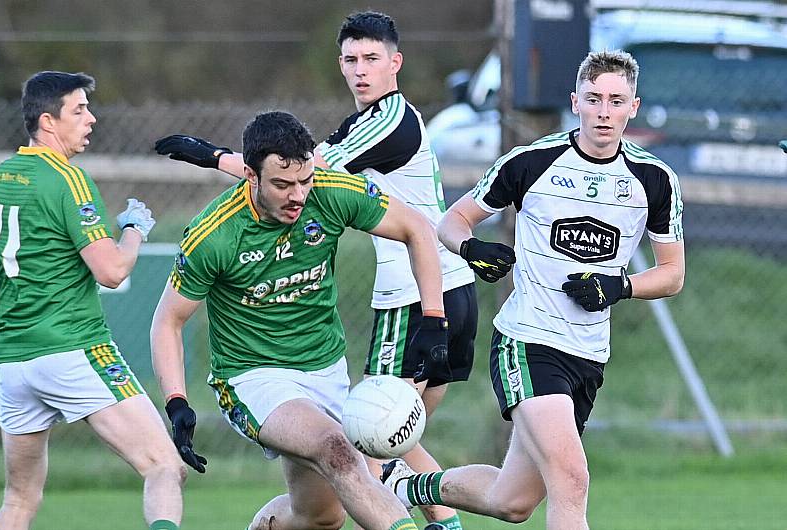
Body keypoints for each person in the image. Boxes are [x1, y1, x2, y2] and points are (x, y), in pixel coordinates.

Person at [154, 13, 483, 529]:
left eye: (371, 59)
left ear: (396, 63)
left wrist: (434, 318)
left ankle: (448, 509)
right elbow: (168, 320)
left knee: (326, 509)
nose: (299, 195)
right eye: (351, 60)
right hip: (256, 379)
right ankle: (441, 517)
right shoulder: (214, 234)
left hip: (412, 303)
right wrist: (177, 402)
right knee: (354, 452)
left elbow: (414, 225)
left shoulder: (364, 145)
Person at [379, 49, 686, 529]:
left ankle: (407, 485)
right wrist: (473, 249)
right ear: (575, 102)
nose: (604, 112)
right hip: (527, 341)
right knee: (572, 477)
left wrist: (619, 286)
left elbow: (672, 274)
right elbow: (452, 221)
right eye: (594, 99)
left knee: (513, 501)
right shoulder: (531, 162)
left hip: (588, 353)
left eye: (616, 100)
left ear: (634, 106)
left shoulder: (655, 179)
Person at [0, 71, 186, 530]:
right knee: (165, 466)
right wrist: (135, 230)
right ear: (47, 121)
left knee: (19, 500)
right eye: (79, 110)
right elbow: (113, 269)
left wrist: (33, 300)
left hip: (16, 363)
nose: (91, 119)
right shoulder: (68, 179)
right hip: (74, 348)